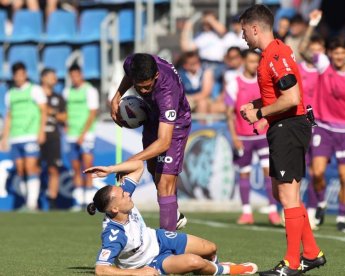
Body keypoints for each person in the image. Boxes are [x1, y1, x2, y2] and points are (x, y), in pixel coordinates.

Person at [238, 5, 325, 275]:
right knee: (282, 193)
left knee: (288, 196)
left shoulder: (276, 54)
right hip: (283, 126)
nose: (243, 37)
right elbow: (278, 95)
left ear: (255, 28)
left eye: (243, 31)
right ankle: (311, 253)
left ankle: (292, 262)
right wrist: (255, 104)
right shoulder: (269, 54)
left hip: (289, 126)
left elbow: (292, 98)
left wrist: (260, 113)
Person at [84, 160, 258, 276]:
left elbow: (138, 165)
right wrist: (137, 273)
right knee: (194, 261)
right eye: (123, 195)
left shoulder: (122, 200)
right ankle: (228, 269)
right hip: (150, 262)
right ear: (114, 208)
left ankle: (209, 268)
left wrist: (111, 169)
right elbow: (101, 269)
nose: (127, 195)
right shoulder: (114, 234)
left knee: (211, 248)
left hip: (158, 238)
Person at [300, 10, 345, 233]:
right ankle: (320, 203)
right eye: (334, 53)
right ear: (330, 53)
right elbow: (301, 50)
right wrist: (312, 24)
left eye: (341, 53)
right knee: (317, 172)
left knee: (344, 176)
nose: (338, 57)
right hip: (324, 127)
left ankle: (341, 217)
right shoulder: (323, 64)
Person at [110, 53, 191, 232]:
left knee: (164, 183)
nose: (144, 91)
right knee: (154, 170)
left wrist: (130, 161)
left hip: (175, 125)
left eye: (148, 87)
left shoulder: (167, 92)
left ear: (155, 76)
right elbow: (128, 77)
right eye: (140, 87)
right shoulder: (132, 62)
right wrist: (117, 95)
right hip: (152, 116)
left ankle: (167, 246)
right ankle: (173, 212)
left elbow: (163, 142)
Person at [225, 49, 281, 225]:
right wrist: (234, 136)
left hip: (263, 135)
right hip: (243, 137)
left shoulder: (265, 83)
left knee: (269, 172)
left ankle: (273, 211)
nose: (253, 65)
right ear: (243, 62)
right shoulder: (234, 83)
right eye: (250, 62)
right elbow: (229, 113)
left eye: (256, 62)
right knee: (244, 174)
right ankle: (246, 212)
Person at [0, 62, 47, 210]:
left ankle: (32, 204)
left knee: (31, 167)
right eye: (16, 75)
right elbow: (9, 116)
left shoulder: (35, 90)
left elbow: (43, 110)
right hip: (16, 136)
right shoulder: (10, 94)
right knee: (20, 170)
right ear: (13, 76)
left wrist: (41, 131)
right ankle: (28, 200)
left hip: (31, 134)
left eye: (21, 74)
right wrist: (4, 137)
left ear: (25, 74)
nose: (19, 77)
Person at [298, 25, 326, 230]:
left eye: (319, 49)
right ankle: (299, 209)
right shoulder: (299, 68)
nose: (315, 52)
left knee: (317, 171)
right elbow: (301, 48)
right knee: (300, 169)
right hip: (300, 122)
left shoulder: (325, 70)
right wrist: (311, 27)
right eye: (312, 48)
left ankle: (318, 206)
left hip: (322, 124)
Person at [63, 64, 99, 210]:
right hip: (72, 135)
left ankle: (89, 201)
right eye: (72, 76)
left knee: (88, 167)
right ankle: (78, 201)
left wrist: (83, 134)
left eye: (76, 75)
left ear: (81, 75)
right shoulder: (67, 92)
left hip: (86, 134)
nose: (74, 78)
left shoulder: (90, 90)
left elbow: (92, 113)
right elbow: (66, 111)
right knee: (75, 167)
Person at [40, 68, 66, 209]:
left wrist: (51, 111)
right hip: (36, 136)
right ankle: (33, 200)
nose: (55, 79)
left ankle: (52, 201)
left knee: (53, 169)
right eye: (52, 76)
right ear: (43, 78)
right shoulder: (35, 95)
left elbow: (64, 117)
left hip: (53, 137)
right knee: (33, 168)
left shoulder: (58, 97)